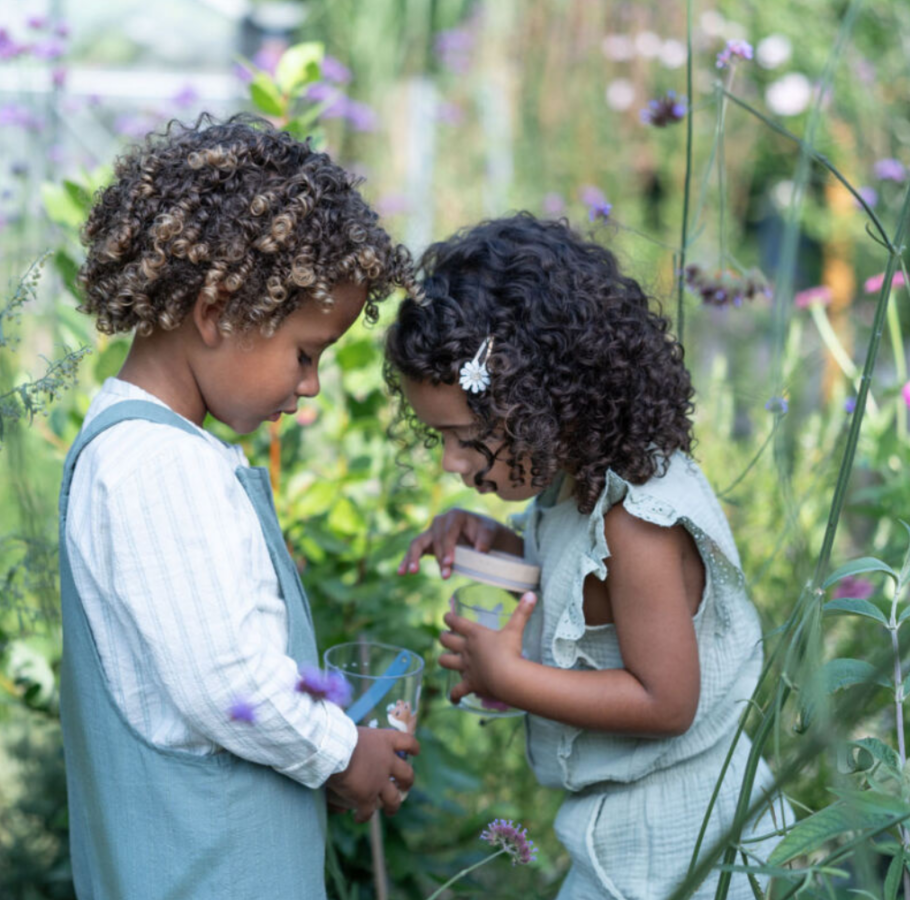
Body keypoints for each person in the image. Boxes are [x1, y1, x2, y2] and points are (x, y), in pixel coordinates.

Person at [59, 113, 419, 900]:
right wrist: (342, 749)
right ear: (217, 310)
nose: (312, 383)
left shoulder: (160, 451)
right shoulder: (157, 465)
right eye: (305, 352)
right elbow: (228, 683)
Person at [385, 213, 784, 899]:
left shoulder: (636, 520)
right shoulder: (578, 482)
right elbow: (584, 594)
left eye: (461, 437)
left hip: (681, 849)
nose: (451, 463)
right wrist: (500, 548)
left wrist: (509, 676)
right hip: (627, 831)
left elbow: (666, 702)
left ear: (539, 402)